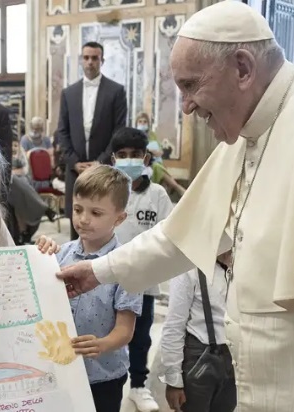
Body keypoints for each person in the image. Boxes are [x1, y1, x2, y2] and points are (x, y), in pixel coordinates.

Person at [56, 2, 294, 411]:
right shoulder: (245, 138)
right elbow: (179, 237)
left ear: (242, 68)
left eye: (190, 86)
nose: (185, 106)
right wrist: (96, 271)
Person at [56, 164, 142, 412]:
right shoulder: (62, 254)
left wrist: (102, 344)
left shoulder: (126, 265)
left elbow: (125, 330)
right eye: (77, 209)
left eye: (95, 212)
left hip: (104, 377)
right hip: (63, 369)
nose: (83, 219)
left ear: (119, 218)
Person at [110, 127, 173, 412]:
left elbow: (169, 232)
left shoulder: (157, 194)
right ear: (113, 158)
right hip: (110, 279)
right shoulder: (107, 190)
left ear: (146, 158)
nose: (128, 161)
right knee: (108, 332)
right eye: (122, 156)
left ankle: (137, 385)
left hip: (145, 280)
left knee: (141, 335)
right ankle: (108, 383)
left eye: (135, 155)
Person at [55, 41, 127, 240]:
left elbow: (118, 132)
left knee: (100, 218)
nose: (90, 62)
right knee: (76, 219)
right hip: (75, 169)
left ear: (102, 61)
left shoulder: (116, 91)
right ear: (81, 60)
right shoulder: (69, 93)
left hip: (102, 169)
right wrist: (73, 161)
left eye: (95, 58)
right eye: (86, 58)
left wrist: (99, 162)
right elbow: (62, 131)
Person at [161, 252, 235, 412]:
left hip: (234, 360)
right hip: (199, 357)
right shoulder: (189, 268)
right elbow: (174, 325)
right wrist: (174, 380)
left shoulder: (242, 266)